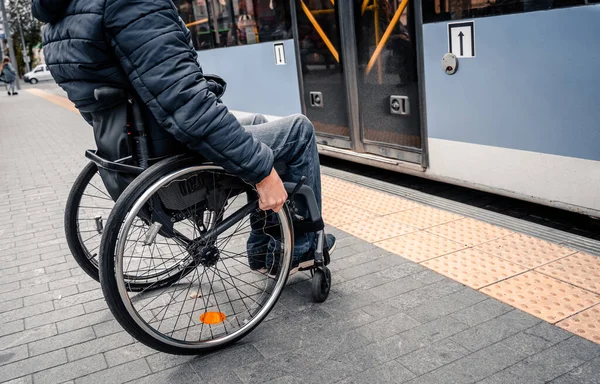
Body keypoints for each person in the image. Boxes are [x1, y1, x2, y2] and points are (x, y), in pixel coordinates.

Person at [32, 0, 335, 276]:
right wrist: (262, 171)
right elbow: (188, 107)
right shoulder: (129, 4)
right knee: (298, 131)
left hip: (128, 153)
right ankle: (301, 250)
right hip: (172, 150)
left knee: (255, 123)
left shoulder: (61, 17)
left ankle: (262, 248)